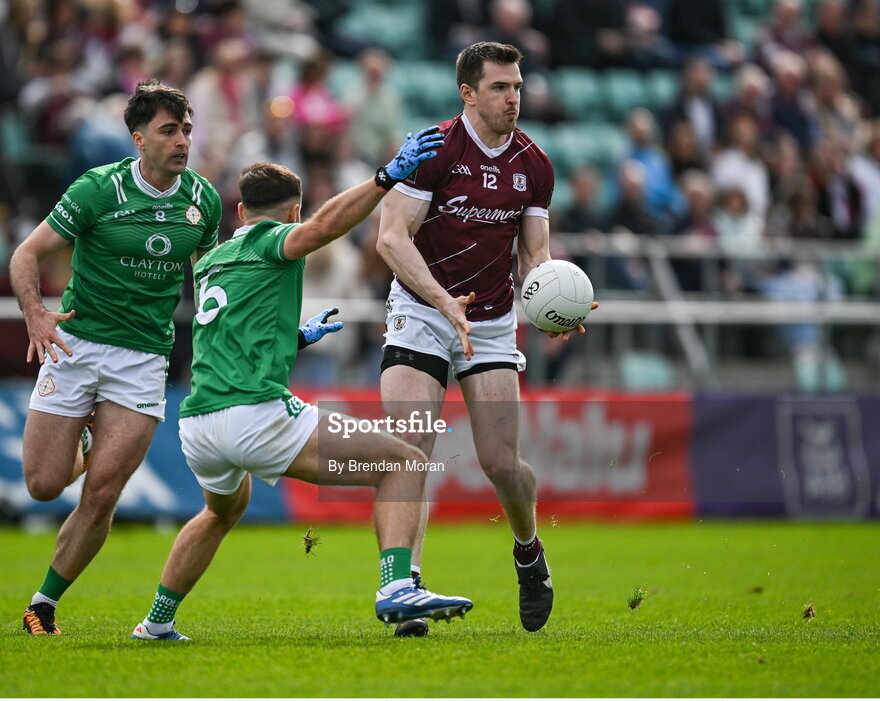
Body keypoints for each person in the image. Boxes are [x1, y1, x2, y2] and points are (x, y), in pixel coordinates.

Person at [131, 130, 474, 641]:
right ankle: (396, 586)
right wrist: (384, 178)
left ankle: (157, 621)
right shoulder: (276, 238)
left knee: (219, 512)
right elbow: (323, 228)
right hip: (254, 414)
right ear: (289, 213)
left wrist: (294, 337)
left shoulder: (212, 261)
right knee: (405, 463)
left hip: (199, 424)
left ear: (240, 211)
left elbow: (233, 333)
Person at [375, 41, 596, 638]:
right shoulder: (435, 149)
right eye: (500, 87)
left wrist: (553, 302)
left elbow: (535, 253)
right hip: (422, 311)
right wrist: (444, 303)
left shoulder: (535, 164)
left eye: (518, 86)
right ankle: (406, 587)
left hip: (494, 322)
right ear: (468, 93)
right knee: (410, 448)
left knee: (501, 463)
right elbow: (391, 239)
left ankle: (528, 550)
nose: (513, 98)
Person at [9, 79, 223, 636]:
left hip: (144, 358)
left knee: (102, 492)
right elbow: (26, 254)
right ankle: (82, 438)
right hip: (76, 347)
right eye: (169, 131)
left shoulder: (203, 201)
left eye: (187, 131)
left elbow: (212, 280)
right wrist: (36, 315)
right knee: (43, 485)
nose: (182, 142)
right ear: (138, 139)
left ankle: (43, 603)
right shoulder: (97, 190)